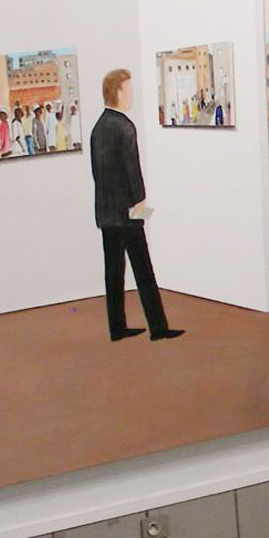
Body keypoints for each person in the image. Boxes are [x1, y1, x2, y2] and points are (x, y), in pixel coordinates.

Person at [90, 69, 184, 342]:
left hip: (106, 213)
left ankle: (117, 328)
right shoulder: (125, 126)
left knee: (113, 273)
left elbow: (97, 174)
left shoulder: (98, 128)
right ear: (117, 92)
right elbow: (133, 172)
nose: (131, 95)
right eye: (128, 90)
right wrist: (141, 206)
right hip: (128, 213)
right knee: (143, 270)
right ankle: (158, 327)